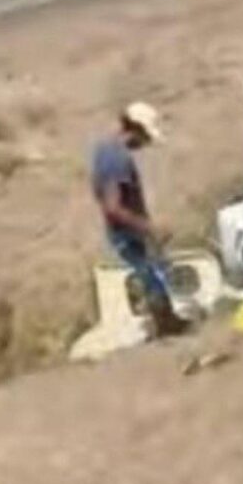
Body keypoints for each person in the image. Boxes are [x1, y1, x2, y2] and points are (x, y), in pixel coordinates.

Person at [90, 102, 188, 336]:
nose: (143, 146)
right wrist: (147, 227)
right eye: (144, 138)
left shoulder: (103, 150)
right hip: (126, 230)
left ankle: (167, 323)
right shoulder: (117, 159)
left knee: (151, 272)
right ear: (136, 130)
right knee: (150, 274)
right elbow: (113, 206)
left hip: (122, 229)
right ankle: (167, 327)